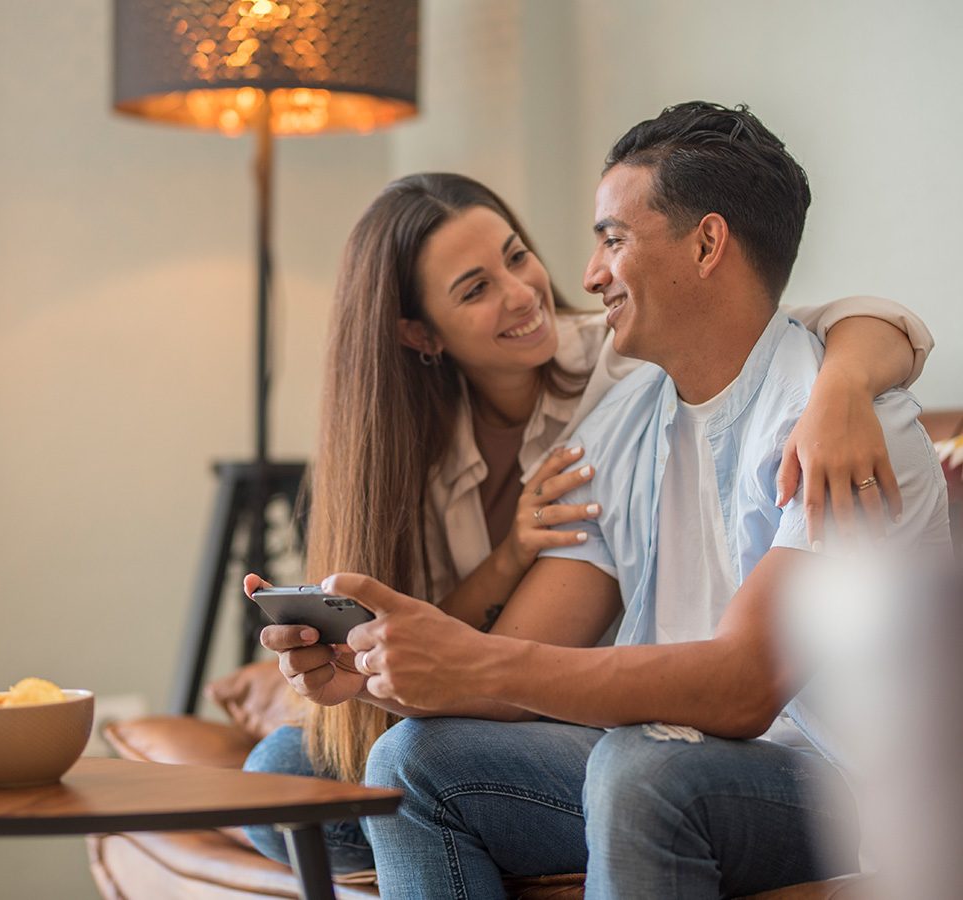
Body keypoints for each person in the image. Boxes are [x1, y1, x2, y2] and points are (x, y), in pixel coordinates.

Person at [256, 103, 951, 898]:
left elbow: (745, 685)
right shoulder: (621, 424)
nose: (581, 277)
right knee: (410, 757)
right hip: (659, 754)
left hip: (840, 788)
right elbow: (523, 652)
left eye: (612, 240)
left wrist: (850, 378)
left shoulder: (851, 433)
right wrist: (378, 667)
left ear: (707, 244)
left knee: (641, 768)